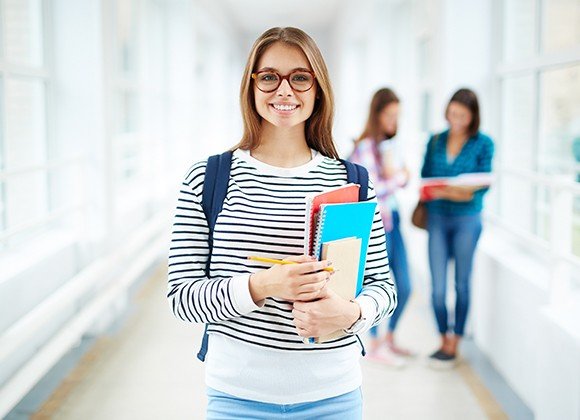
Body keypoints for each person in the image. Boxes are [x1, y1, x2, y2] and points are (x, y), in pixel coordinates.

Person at [167, 27, 396, 419]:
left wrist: (352, 314)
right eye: (269, 76)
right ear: (252, 86)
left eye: (300, 77)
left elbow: (383, 288)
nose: (285, 91)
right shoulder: (208, 178)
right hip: (237, 398)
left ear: (318, 89)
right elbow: (181, 298)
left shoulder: (352, 181)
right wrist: (263, 285)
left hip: (335, 396)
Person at [420, 88, 494, 368]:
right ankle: (442, 337)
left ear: (473, 116)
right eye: (452, 114)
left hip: (467, 221)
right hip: (437, 219)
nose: (456, 120)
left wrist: (447, 191)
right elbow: (426, 179)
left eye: (462, 115)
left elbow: (479, 189)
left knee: (462, 284)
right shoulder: (436, 140)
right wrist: (454, 191)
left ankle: (456, 339)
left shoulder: (483, 143)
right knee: (437, 287)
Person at [349, 88, 413, 367]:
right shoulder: (362, 148)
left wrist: (400, 176)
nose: (393, 121)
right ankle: (374, 342)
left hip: (394, 220)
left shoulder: (389, 145)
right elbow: (371, 191)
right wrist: (400, 178)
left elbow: (399, 175)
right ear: (376, 115)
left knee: (407, 286)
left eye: (397, 115)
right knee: (373, 284)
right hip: (376, 224)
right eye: (389, 115)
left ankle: (389, 338)